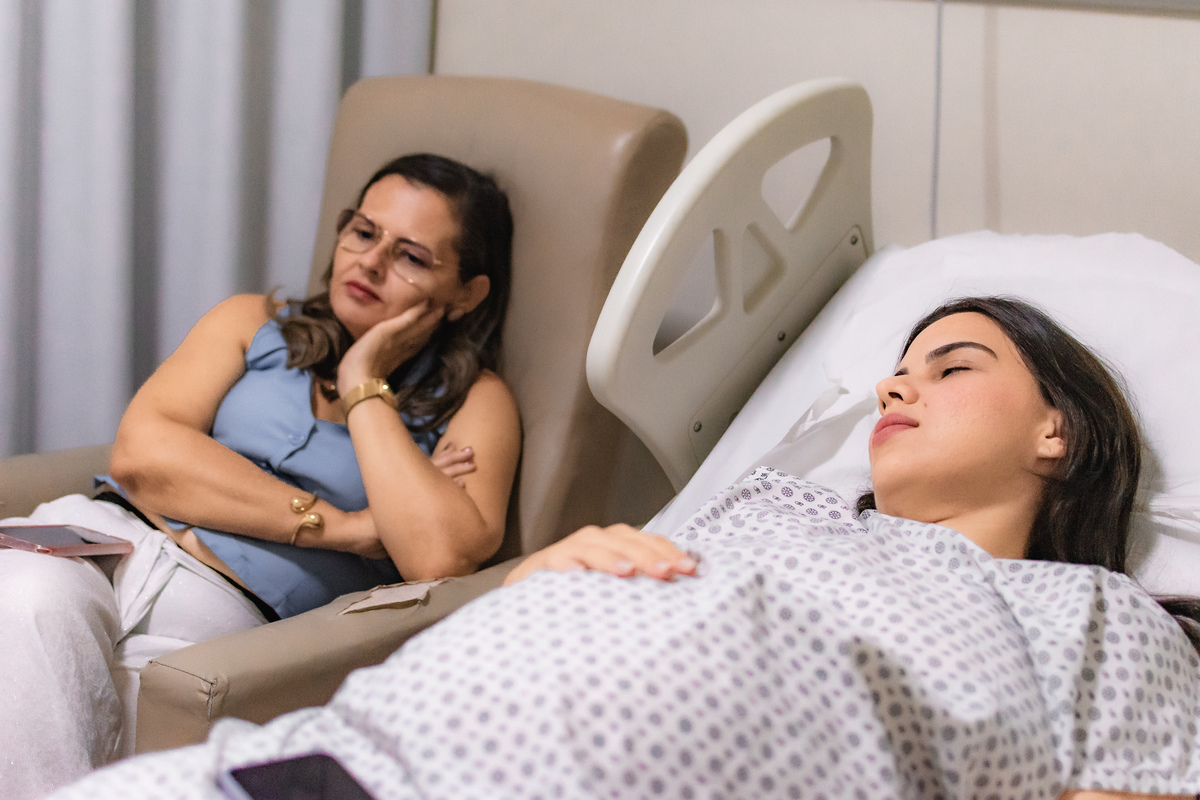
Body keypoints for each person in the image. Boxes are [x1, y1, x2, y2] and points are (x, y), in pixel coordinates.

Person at [47, 298, 1200, 800]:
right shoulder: (768, 507)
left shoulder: (1094, 613)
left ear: (1058, 429)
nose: (900, 380)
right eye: (901, 363)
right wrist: (544, 579)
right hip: (360, 755)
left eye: (954, 366)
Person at [0, 153, 521, 800]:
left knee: (93, 730)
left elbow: (437, 555)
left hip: (220, 614)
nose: (371, 262)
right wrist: (352, 528)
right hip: (97, 538)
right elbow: (143, 454)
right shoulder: (251, 321)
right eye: (363, 232)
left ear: (467, 292)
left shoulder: (476, 401)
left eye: (412, 256)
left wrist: (366, 386)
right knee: (22, 594)